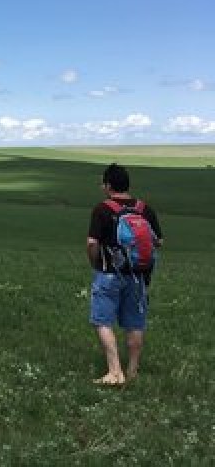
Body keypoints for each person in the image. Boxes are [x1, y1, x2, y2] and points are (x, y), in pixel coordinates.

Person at [86, 163, 163, 385]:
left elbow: (92, 243)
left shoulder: (102, 209)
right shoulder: (144, 209)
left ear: (108, 185)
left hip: (109, 273)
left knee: (102, 321)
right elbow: (158, 241)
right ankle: (132, 371)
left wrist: (96, 263)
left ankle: (114, 372)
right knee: (134, 323)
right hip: (138, 275)